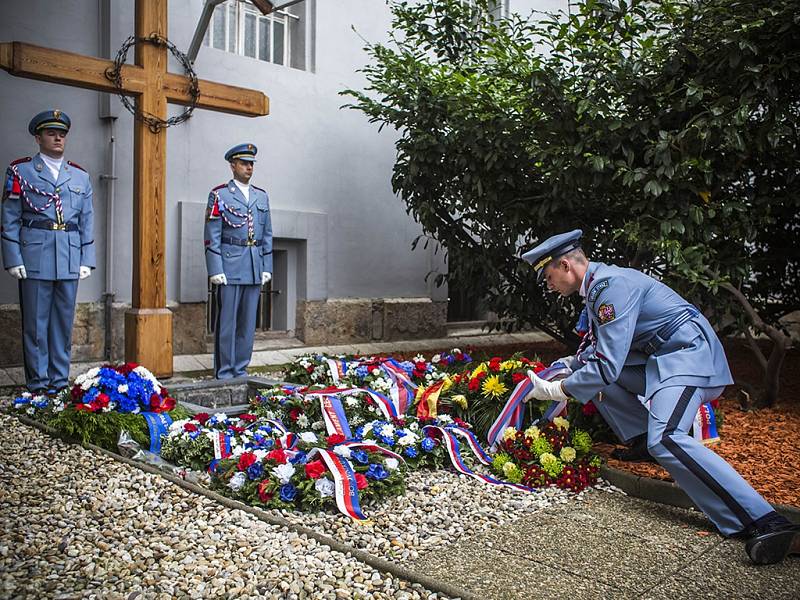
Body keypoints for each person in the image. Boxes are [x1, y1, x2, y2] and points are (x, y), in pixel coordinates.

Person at [520, 229, 799, 565]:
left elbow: (607, 365)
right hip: (663, 361)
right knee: (611, 393)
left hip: (688, 357)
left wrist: (556, 389)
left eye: (548, 276)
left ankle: (766, 520)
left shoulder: (609, 289)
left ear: (565, 265)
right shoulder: (598, 287)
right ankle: (643, 440)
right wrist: (567, 366)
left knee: (666, 436)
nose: (548, 285)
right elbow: (598, 353)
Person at [1, 110, 95, 395]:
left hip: (68, 254)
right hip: (35, 255)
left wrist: (86, 259)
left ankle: (58, 382)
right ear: (38, 137)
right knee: (35, 323)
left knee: (63, 324)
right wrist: (13, 257)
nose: (58, 138)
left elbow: (87, 220)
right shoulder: (21, 171)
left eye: (62, 133)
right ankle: (38, 384)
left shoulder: (79, 176)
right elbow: (10, 217)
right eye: (51, 133)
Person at [203, 143, 273, 379]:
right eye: (244, 163)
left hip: (254, 265)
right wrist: (215, 268)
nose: (249, 168)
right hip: (230, 263)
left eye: (251, 163)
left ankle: (240, 369)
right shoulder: (220, 194)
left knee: (247, 324)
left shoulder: (260, 196)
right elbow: (211, 235)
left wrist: (267, 266)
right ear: (232, 165)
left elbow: (267, 235)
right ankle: (224, 372)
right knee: (227, 323)